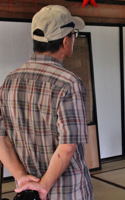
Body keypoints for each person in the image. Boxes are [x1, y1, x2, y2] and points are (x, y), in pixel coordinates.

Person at [0, 5, 93, 200]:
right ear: (66, 40)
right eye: (74, 34)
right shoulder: (68, 82)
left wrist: (21, 177)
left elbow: (1, 138)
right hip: (66, 190)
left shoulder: (10, 80)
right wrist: (44, 186)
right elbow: (68, 146)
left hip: (27, 191)